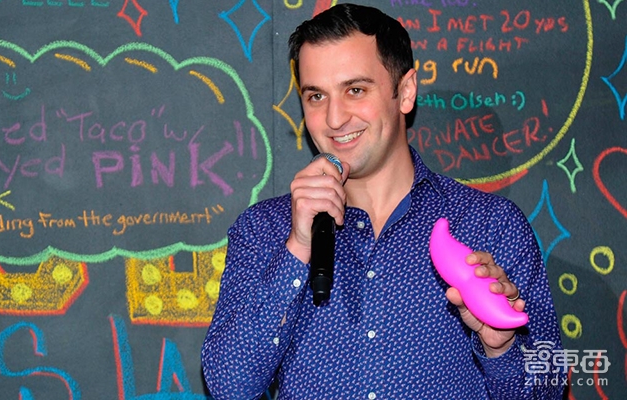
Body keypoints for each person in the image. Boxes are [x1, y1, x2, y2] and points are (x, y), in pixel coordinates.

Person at [202, 3, 565, 399]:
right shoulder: (265, 230)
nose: (334, 118)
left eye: (355, 90)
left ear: (405, 92)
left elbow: (549, 389)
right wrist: (299, 247)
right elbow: (229, 387)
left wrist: (501, 348)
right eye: (316, 96)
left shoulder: (489, 225)